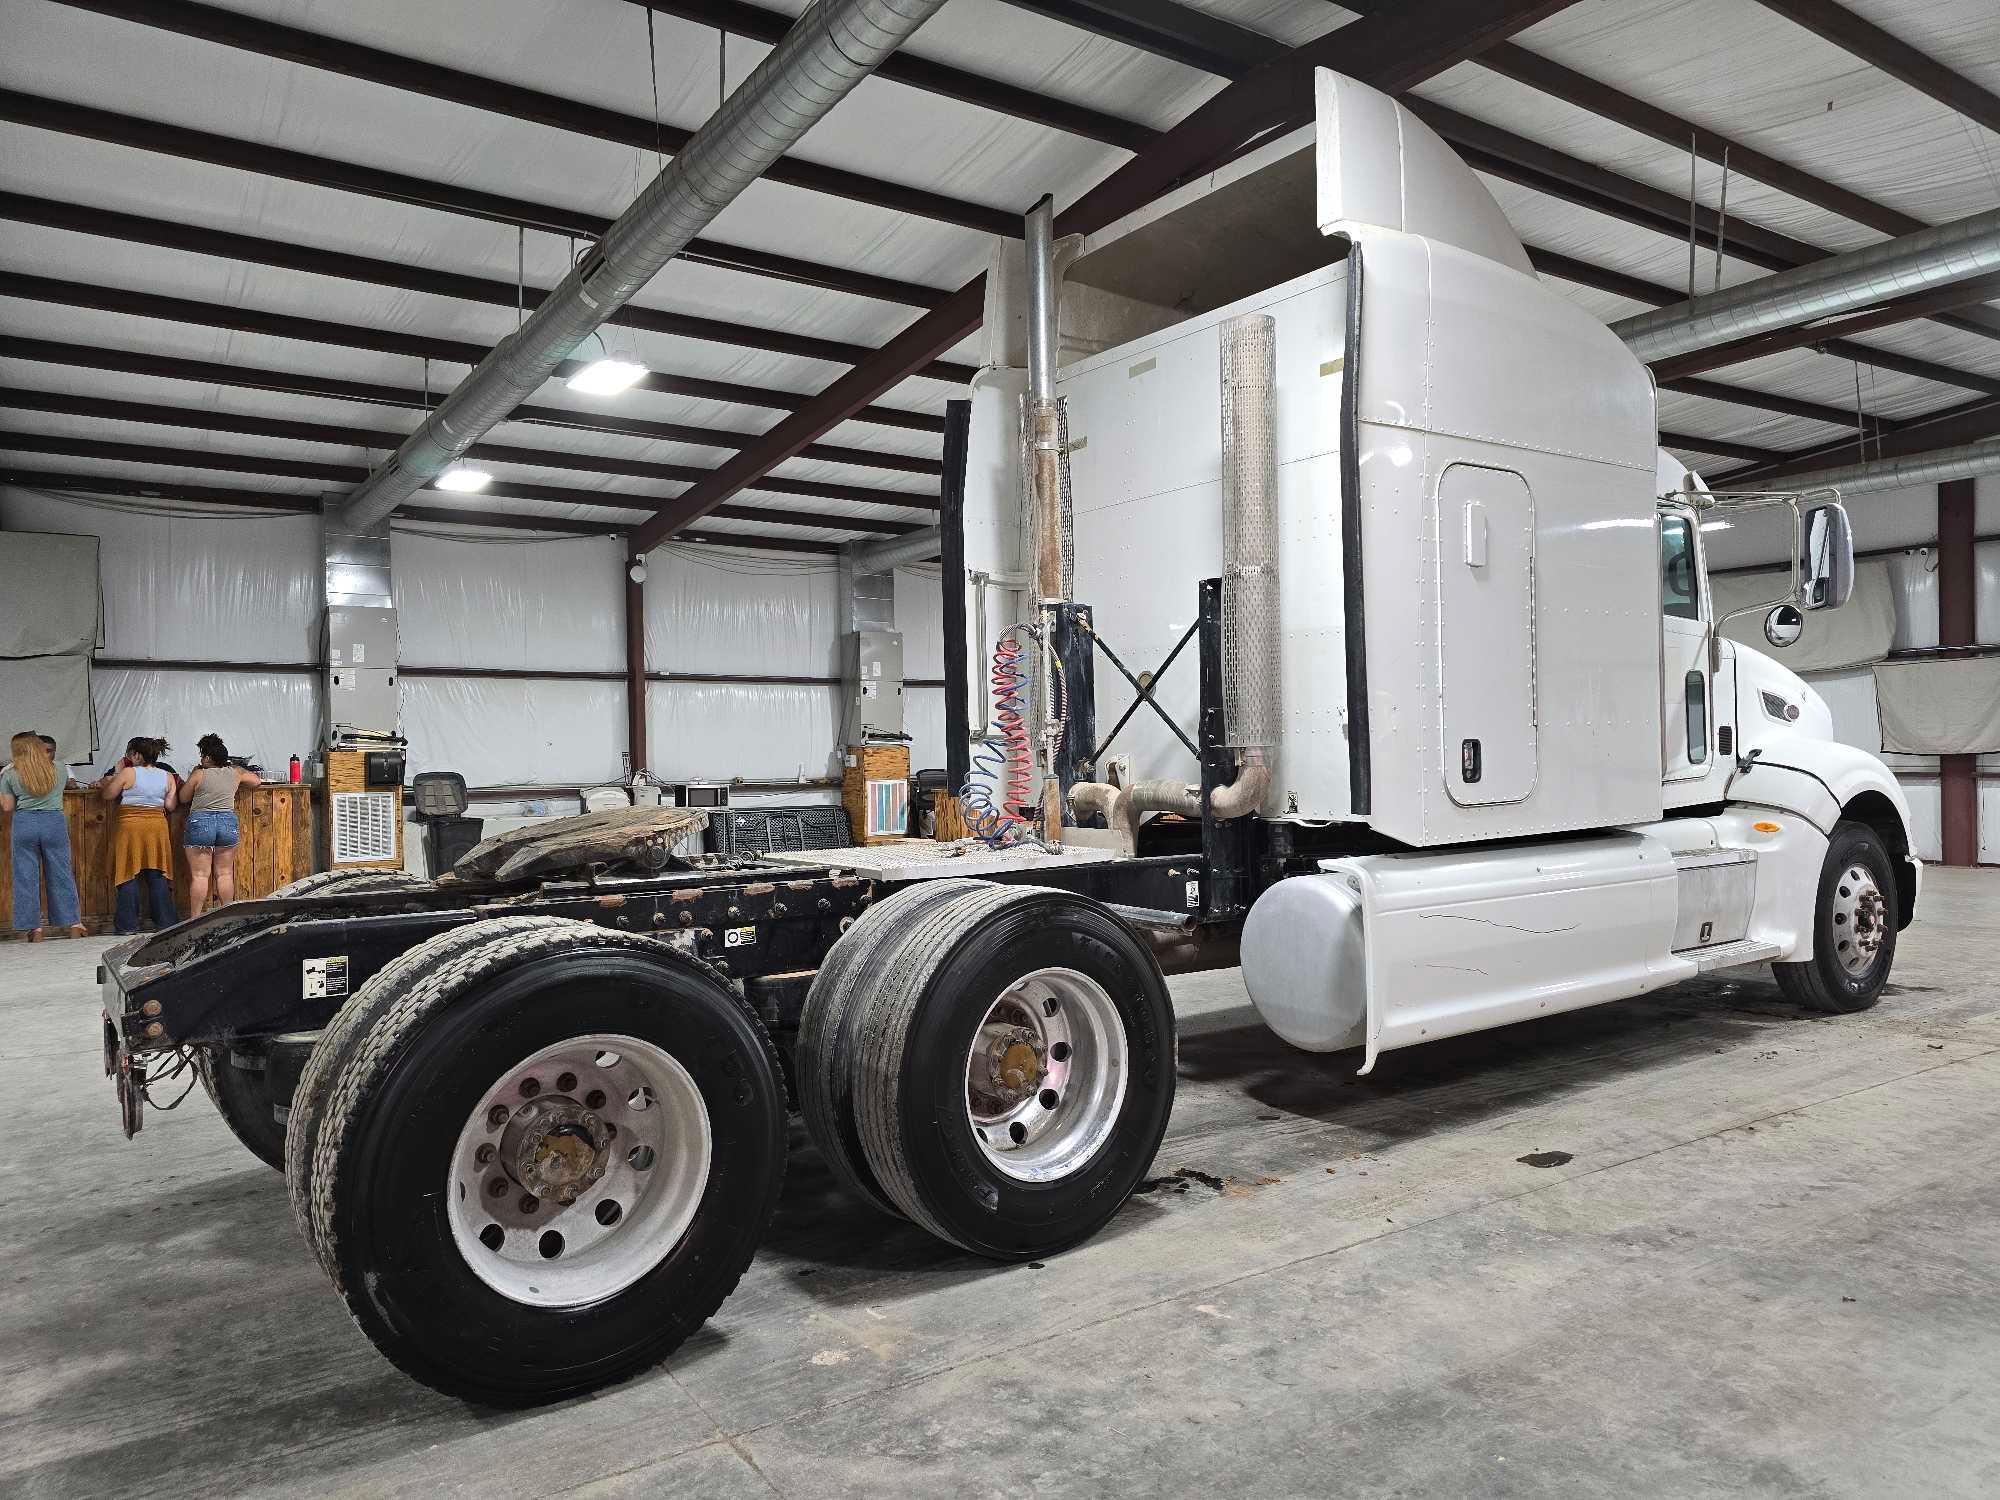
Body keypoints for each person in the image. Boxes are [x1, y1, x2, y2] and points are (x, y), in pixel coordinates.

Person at [1, 731, 86, 941]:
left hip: (24, 823)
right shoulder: (59, 768)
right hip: (54, 822)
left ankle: (35, 929)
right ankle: (74, 924)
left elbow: (7, 806)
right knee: (62, 873)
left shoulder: (10, 773)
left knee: (25, 877)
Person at [100, 736, 179, 935]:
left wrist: (116, 773)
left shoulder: (128, 772)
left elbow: (108, 794)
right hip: (157, 826)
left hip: (130, 826)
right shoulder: (167, 776)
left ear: (136, 755)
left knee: (128, 872)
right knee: (157, 873)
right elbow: (170, 806)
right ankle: (165, 922)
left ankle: (128, 925)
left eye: (129, 753)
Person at [182, 733, 259, 916]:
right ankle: (229, 917)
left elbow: (183, 797)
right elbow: (257, 781)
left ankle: (195, 919)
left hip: (201, 822)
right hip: (227, 822)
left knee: (200, 875)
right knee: (224, 874)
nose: (201, 758)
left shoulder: (199, 773)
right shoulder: (236, 772)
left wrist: (194, 775)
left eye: (202, 754)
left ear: (208, 757)